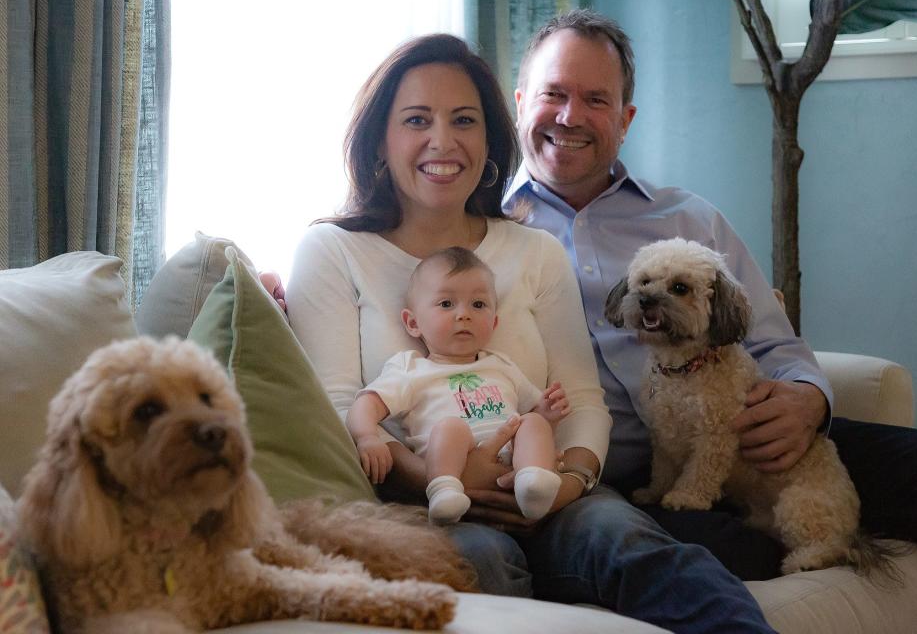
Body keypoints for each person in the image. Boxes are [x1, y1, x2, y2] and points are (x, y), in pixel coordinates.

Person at [281, 32, 778, 633]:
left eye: (464, 120)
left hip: (558, 491)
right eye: (417, 119)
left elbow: (583, 399)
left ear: (490, 139)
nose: (443, 140)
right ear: (380, 141)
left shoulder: (535, 250)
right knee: (483, 562)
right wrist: (443, 479)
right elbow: (337, 411)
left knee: (646, 551)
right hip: (428, 506)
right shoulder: (334, 251)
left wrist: (569, 482)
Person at [499, 8, 917, 630]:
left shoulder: (688, 217)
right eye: (554, 94)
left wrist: (806, 399)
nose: (571, 116)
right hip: (622, 474)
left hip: (757, 436)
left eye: (596, 99)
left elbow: (773, 340)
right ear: (522, 100)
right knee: (725, 547)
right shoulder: (488, 235)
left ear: (626, 120)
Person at [347, 246, 569, 524]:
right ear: (413, 323)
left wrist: (547, 414)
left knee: (532, 424)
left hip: (511, 463)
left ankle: (533, 485)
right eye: (446, 304)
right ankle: (445, 491)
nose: (464, 314)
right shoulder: (411, 369)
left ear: (494, 322)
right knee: (451, 427)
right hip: (454, 463)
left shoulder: (502, 364)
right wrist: (367, 437)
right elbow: (365, 403)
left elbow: (533, 411)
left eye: (478, 305)